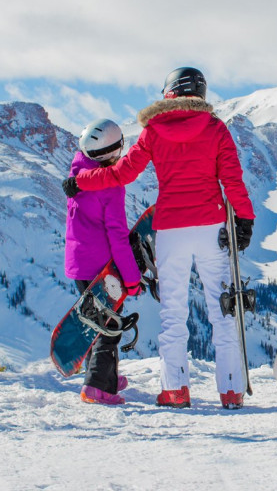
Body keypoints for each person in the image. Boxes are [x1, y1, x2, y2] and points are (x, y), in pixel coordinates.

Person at [62, 67, 256, 409]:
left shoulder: (154, 131)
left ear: (168, 94)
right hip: (211, 227)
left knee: (173, 312)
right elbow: (233, 180)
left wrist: (82, 182)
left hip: (169, 229)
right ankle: (231, 390)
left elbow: (123, 173)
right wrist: (244, 219)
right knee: (222, 309)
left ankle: (175, 390)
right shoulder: (215, 129)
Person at [65, 118, 142, 405]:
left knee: (96, 321)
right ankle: (97, 386)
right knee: (109, 328)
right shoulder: (110, 186)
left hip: (79, 265)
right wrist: (132, 279)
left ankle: (106, 374)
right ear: (113, 152)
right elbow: (118, 238)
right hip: (103, 270)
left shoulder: (76, 175)